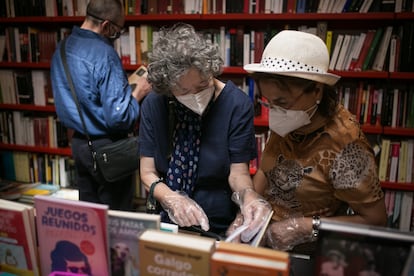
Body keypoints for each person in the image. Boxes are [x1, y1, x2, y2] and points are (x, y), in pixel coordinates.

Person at [243, 30, 387, 253]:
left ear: (317, 90)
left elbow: (376, 220)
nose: (275, 112)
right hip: (265, 241)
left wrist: (306, 226)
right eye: (268, 103)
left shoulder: (345, 144)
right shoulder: (290, 120)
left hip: (311, 251)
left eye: (282, 102)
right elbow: (265, 171)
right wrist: (250, 205)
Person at [139, 23, 271, 238]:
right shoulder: (155, 103)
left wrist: (248, 195)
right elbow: (147, 172)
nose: (195, 95)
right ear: (168, 86)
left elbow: (239, 173)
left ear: (210, 71)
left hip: (218, 223)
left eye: (202, 86)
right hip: (167, 220)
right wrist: (172, 199)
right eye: (183, 90)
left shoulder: (236, 104)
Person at [50, 0, 151, 211]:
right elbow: (120, 118)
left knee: (89, 218)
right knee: (116, 220)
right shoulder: (104, 54)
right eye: (117, 30)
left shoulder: (62, 48)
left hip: (79, 143)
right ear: (106, 26)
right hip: (109, 148)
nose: (116, 36)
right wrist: (139, 92)